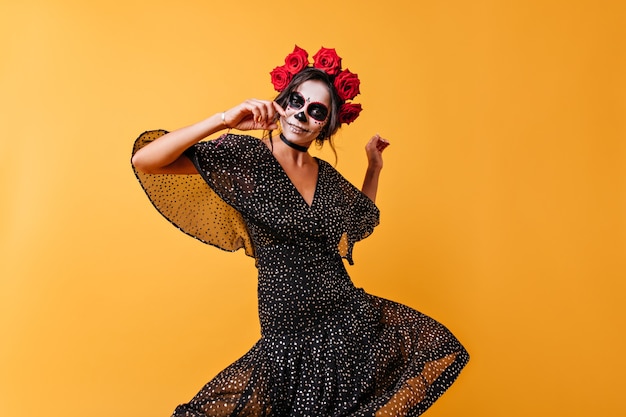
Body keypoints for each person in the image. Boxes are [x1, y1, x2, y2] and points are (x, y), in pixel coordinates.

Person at [131, 46, 469, 417]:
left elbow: (360, 219)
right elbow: (145, 161)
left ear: (326, 123)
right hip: (287, 324)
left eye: (316, 110)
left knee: (436, 347)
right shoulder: (247, 158)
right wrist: (225, 119)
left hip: (344, 313)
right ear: (283, 101)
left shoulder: (326, 176)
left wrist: (374, 167)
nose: (302, 115)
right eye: (297, 101)